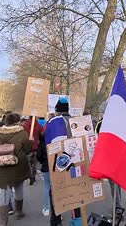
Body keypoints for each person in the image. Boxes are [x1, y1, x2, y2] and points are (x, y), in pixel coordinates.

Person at [44, 97, 81, 226]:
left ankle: (56, 220)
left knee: (55, 191)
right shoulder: (76, 121)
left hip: (57, 162)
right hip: (76, 163)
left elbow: (47, 143)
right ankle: (77, 218)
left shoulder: (52, 122)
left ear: (57, 110)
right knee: (76, 190)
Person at [0, 113, 32, 226]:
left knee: (3, 192)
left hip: (2, 165)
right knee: (18, 188)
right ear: (17, 121)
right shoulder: (22, 133)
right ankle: (18, 212)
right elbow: (28, 149)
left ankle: (3, 221)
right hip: (19, 164)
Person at [22, 116, 44, 185]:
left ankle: (30, 175)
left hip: (28, 147)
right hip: (36, 147)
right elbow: (42, 135)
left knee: (28, 163)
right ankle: (33, 175)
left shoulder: (24, 125)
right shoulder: (39, 125)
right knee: (34, 163)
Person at [36, 130, 51, 217]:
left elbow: (38, 156)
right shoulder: (56, 141)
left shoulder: (42, 143)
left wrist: (42, 162)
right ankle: (58, 209)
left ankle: (46, 208)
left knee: (46, 187)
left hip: (46, 167)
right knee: (56, 189)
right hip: (56, 168)